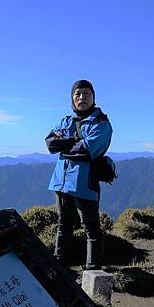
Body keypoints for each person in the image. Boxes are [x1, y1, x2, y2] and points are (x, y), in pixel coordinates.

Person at [45, 79, 113, 269]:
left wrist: (65, 142)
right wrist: (73, 143)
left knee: (91, 227)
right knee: (63, 224)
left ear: (94, 98)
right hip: (61, 182)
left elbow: (86, 150)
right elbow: (50, 143)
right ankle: (60, 266)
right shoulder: (66, 120)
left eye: (87, 94)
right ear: (72, 98)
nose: (82, 97)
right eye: (78, 94)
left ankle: (93, 269)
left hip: (85, 183)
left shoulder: (101, 123)